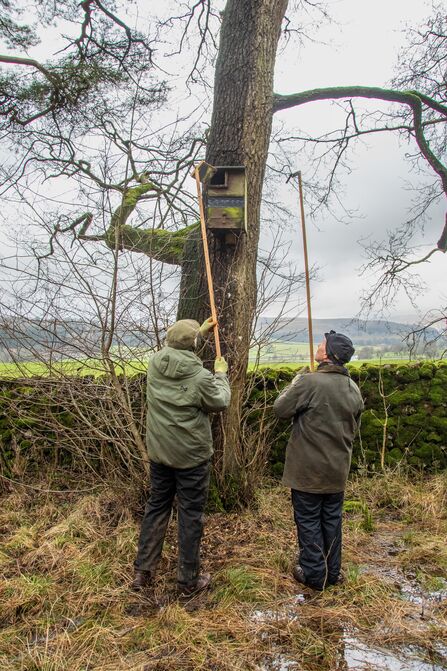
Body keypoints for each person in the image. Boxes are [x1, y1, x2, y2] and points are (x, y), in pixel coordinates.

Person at [132, 317, 230, 594]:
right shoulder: (200, 377)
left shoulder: (154, 364)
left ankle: (143, 572)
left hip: (160, 452)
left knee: (157, 507)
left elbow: (176, 353)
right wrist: (220, 374)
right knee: (190, 515)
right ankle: (188, 581)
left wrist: (197, 333)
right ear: (192, 345)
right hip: (191, 457)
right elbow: (220, 402)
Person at [273, 330, 364, 591]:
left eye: (323, 343)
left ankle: (314, 574)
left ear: (327, 354)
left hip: (308, 472)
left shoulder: (308, 382)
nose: (319, 344)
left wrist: (296, 381)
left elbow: (280, 409)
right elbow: (353, 429)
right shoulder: (353, 388)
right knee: (332, 520)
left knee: (309, 521)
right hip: (337, 471)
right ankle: (332, 572)